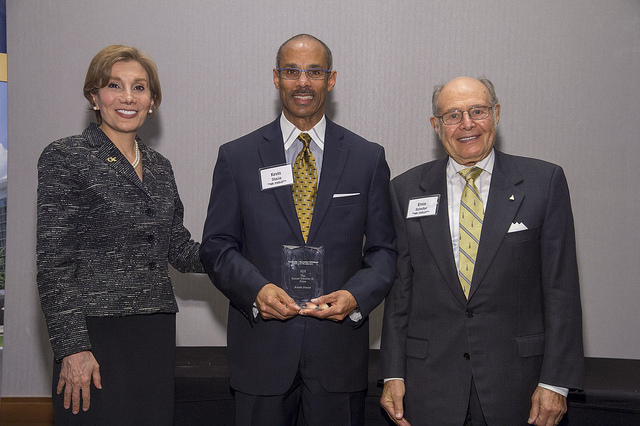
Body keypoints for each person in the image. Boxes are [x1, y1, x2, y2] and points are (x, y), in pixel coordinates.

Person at [200, 34, 396, 426]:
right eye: (292, 71)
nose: (302, 82)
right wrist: (255, 290)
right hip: (261, 354)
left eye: (314, 71)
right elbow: (217, 246)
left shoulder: (367, 158)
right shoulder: (237, 157)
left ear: (331, 79)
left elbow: (384, 251)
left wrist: (356, 296)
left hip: (337, 355)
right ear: (276, 78)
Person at [379, 77, 583, 426]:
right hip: (429, 384)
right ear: (436, 125)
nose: (467, 124)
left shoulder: (542, 183)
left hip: (519, 384)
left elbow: (561, 289)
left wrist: (556, 381)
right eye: (453, 115)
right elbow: (401, 293)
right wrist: (393, 374)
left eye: (478, 111)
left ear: (497, 114)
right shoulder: (405, 190)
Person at [36, 45, 204, 425]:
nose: (128, 97)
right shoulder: (66, 156)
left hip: (153, 331)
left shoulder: (161, 167)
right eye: (115, 85)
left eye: (140, 87)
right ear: (94, 97)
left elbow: (177, 248)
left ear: (153, 101)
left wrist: (236, 249)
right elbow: (53, 264)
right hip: (94, 334)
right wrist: (72, 348)